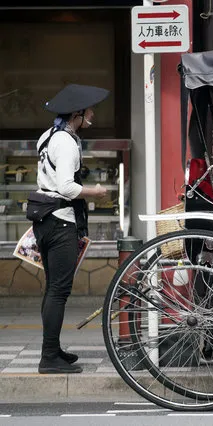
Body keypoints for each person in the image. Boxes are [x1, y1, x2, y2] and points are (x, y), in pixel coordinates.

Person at [28, 84, 109, 374]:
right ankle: (49, 357)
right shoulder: (66, 141)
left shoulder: (47, 136)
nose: (93, 115)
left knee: (53, 289)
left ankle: (53, 349)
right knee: (59, 291)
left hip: (45, 220)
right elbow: (65, 187)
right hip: (60, 221)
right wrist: (94, 192)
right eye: (89, 112)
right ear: (77, 113)